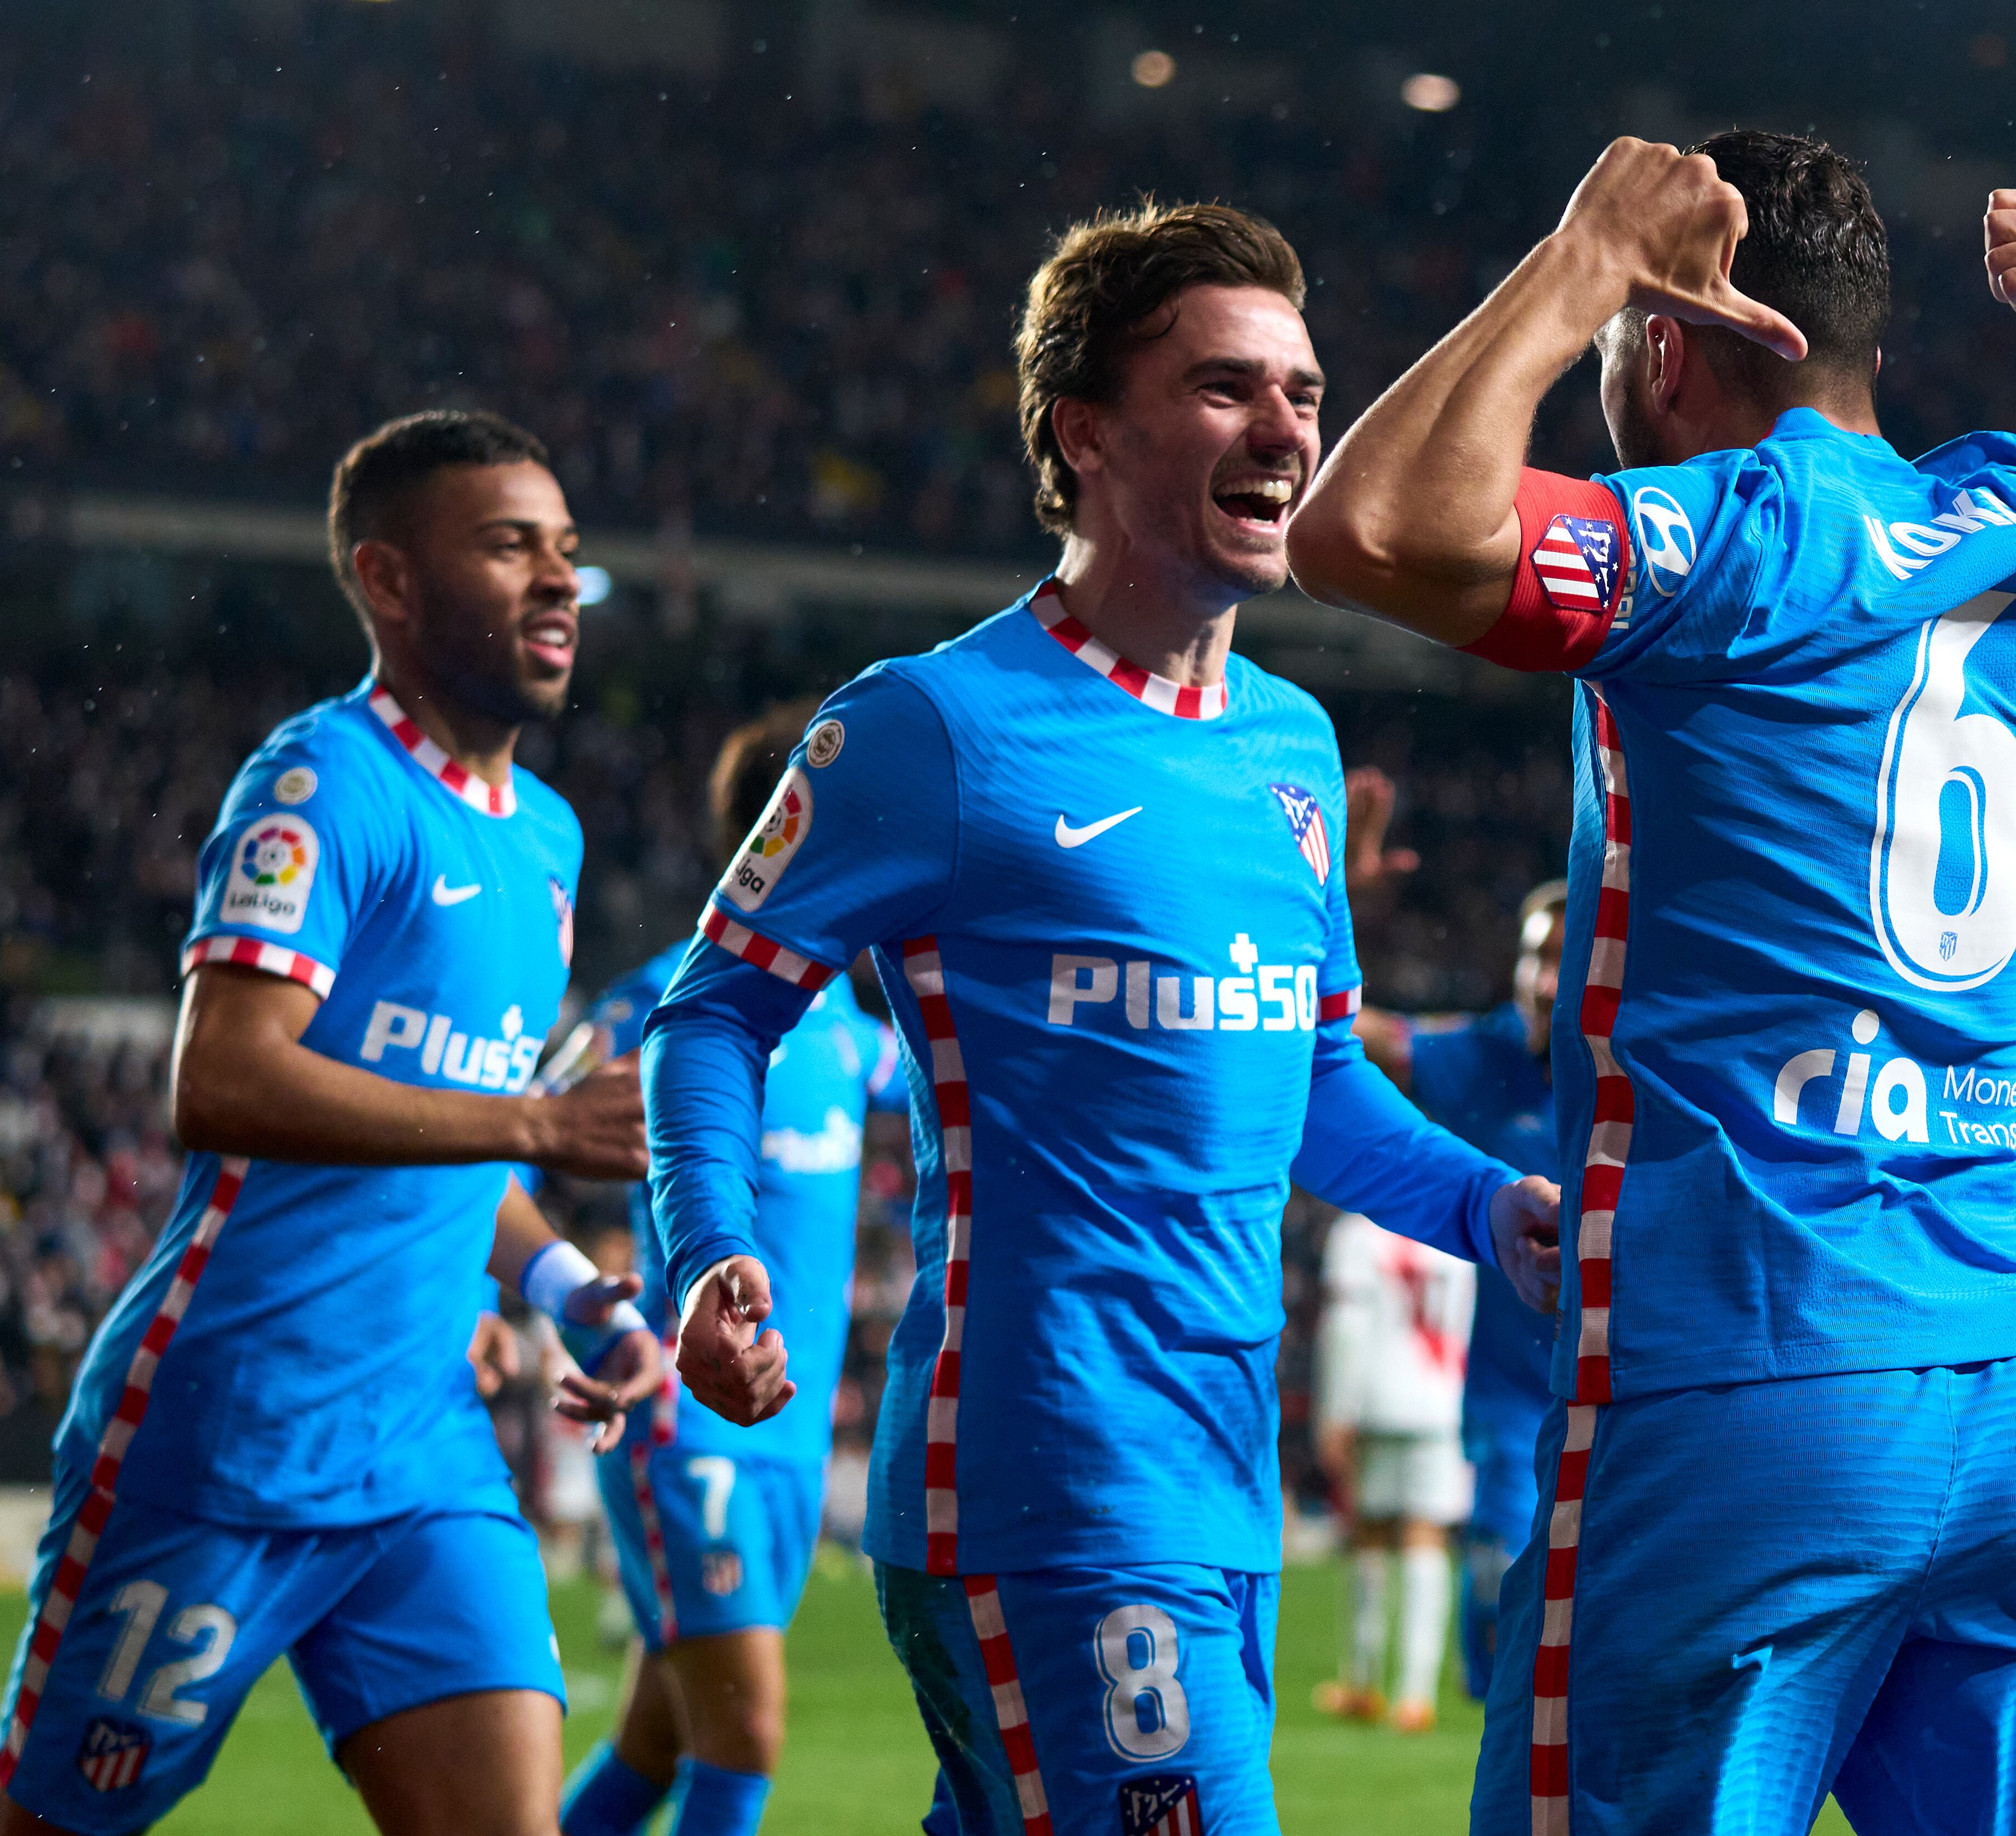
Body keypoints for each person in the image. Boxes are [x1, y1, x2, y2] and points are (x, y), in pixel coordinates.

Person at [1289, 133, 2016, 1835]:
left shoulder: (1726, 533)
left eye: (1624, 332)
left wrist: (1573, 258)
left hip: (1737, 1377)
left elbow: (1364, 532)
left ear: (1666, 339)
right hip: (2008, 1390)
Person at [641, 201, 1560, 1836]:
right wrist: (706, 1243)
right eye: (1225, 387)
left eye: (1300, 387)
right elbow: (711, 1010)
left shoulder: (1290, 749)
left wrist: (1491, 1209)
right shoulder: (930, 728)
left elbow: (1318, 1088)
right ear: (1082, 434)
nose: (1287, 426)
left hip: (1220, 1485)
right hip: (1044, 1475)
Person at [0, 410, 663, 1836]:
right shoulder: (322, 781)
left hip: (421, 1445)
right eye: (508, 544)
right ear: (390, 583)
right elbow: (221, 1077)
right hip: (226, 1436)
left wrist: (574, 1288)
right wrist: (536, 1115)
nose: (555, 581)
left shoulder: (546, 836)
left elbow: (454, 1144)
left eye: (566, 553)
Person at [559, 705, 905, 1836]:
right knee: (745, 1736)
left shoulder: (855, 1028)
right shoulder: (658, 1004)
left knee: (656, 1745)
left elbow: (1015, 1063)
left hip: (789, 1438)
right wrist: (540, 1302)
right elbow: (502, 1146)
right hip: (686, 1420)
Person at [1349, 875, 1564, 1704]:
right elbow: (1359, 1038)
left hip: (1635, 1386)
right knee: (1505, 1612)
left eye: (1562, 958)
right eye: (1531, 958)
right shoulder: (1487, 1052)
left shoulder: (1650, 1064)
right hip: (1515, 1398)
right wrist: (1342, 909)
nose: (1543, 981)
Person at [1310, 1209, 1475, 1734]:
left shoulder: (1359, 1234)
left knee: (1371, 1534)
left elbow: (1347, 1328)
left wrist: (1335, 1410)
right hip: (1443, 1398)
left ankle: (1362, 1682)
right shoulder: (1453, 1230)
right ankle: (1415, 1695)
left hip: (1378, 1398)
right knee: (1427, 1537)